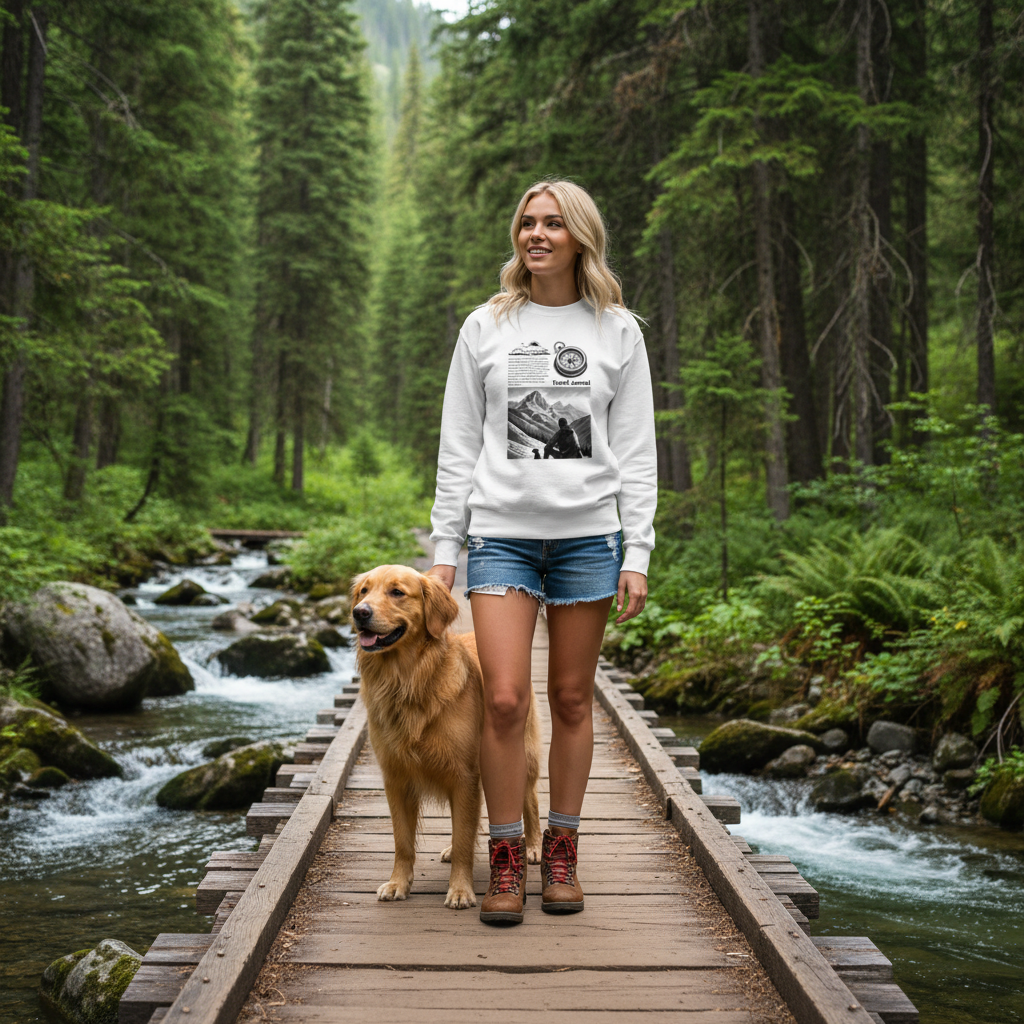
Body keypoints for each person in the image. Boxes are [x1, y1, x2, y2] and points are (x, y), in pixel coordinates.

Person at [428, 179, 656, 925]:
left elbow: (637, 450)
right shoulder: (487, 326)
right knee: (501, 699)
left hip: (590, 537)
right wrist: (443, 553)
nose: (537, 234)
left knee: (570, 699)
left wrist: (637, 549)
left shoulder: (617, 330)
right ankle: (503, 857)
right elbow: (458, 446)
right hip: (502, 536)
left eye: (553, 223)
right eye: (527, 222)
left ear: (580, 236)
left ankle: (561, 850)